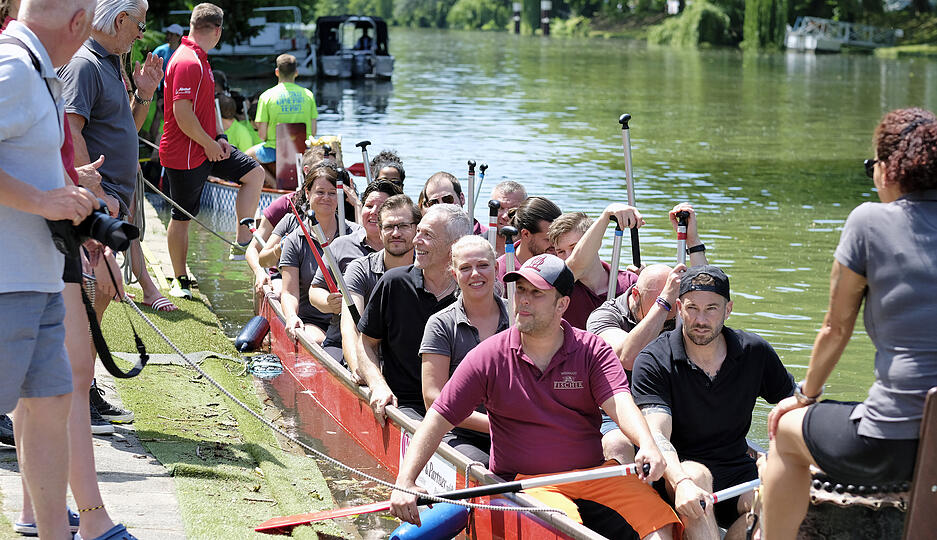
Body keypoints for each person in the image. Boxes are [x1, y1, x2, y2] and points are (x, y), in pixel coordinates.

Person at [390, 254, 681, 540]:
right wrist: (406, 480)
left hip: (593, 475)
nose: (524, 300)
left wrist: (646, 443)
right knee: (563, 529)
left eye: (537, 293)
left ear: (562, 304)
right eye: (521, 290)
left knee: (660, 523)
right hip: (525, 483)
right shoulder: (487, 357)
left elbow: (621, 402)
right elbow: (437, 419)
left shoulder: (592, 350)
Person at [762, 108, 937, 539]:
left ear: (889, 167)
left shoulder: (870, 221)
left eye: (871, 166)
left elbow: (835, 328)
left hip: (894, 440)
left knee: (785, 431)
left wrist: (804, 395)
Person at [0, 0, 101, 537]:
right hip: (6, 282)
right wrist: (45, 202)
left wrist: (67, 197)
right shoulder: (15, 67)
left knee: (51, 403)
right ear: (79, 23)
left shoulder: (38, 69)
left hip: (34, 278)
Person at [630, 265, 794, 539]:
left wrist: (782, 454)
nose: (700, 319)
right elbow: (657, 434)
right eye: (693, 308)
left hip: (736, 470)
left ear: (728, 309)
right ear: (680, 307)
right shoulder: (653, 360)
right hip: (678, 475)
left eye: (711, 309)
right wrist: (681, 482)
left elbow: (795, 406)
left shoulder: (755, 352)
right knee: (697, 478)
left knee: (783, 500)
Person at [160, 2, 265, 296]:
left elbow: (207, 108)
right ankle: (179, 280)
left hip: (208, 148)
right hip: (184, 154)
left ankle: (241, 242)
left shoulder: (201, 59)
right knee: (182, 218)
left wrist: (218, 136)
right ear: (217, 31)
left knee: (254, 174)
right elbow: (182, 114)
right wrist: (207, 143)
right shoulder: (186, 61)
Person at [356, 204, 472, 422]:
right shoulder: (394, 283)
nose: (416, 240)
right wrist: (378, 385)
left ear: (454, 246)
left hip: (462, 412)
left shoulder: (471, 293)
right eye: (418, 231)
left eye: (427, 235)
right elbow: (365, 344)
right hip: (407, 407)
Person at [419, 235, 510, 466]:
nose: (475, 274)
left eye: (482, 265)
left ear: (497, 268)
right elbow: (433, 398)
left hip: (516, 431)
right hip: (460, 433)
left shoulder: (519, 317)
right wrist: (495, 424)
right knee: (489, 472)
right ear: (454, 274)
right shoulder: (440, 324)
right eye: (466, 268)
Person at [309, 179, 401, 361]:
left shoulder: (404, 250)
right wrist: (329, 303)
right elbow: (314, 291)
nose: (373, 212)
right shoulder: (341, 245)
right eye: (368, 206)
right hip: (340, 341)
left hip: (392, 346)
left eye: (381, 207)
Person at [278, 161, 360, 344]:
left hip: (353, 320)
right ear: (307, 194)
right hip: (313, 322)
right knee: (316, 340)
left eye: (332, 193)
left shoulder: (355, 234)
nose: (326, 198)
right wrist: (291, 316)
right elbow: (289, 293)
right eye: (320, 192)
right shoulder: (295, 240)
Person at [341, 194, 418, 382]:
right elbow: (350, 329)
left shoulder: (429, 270)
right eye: (389, 227)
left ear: (417, 229)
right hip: (369, 361)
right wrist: (361, 370)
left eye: (404, 226)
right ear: (380, 231)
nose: (396, 233)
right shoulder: (359, 269)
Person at [550, 205, 643, 329]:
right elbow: (577, 262)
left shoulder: (630, 281)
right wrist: (606, 215)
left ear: (596, 243)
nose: (568, 257)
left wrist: (646, 281)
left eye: (575, 247)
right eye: (561, 252)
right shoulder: (560, 285)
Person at [248, 53, 318, 167]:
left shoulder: (266, 96)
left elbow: (262, 135)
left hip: (275, 150)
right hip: (304, 149)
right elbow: (313, 131)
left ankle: (272, 182)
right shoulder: (308, 95)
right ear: (296, 72)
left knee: (246, 157)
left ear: (277, 72)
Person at [495, 195, 562, 283]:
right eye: (548, 239)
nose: (556, 246)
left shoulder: (563, 263)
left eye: (558, 238)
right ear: (526, 234)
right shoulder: (500, 273)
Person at [418, 171, 487, 236]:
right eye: (434, 203)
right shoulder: (420, 239)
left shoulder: (485, 236)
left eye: (448, 199)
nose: (442, 206)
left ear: (462, 199)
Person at [489, 180, 526, 256]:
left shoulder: (533, 247)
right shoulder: (477, 245)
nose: (505, 216)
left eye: (513, 209)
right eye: (500, 208)